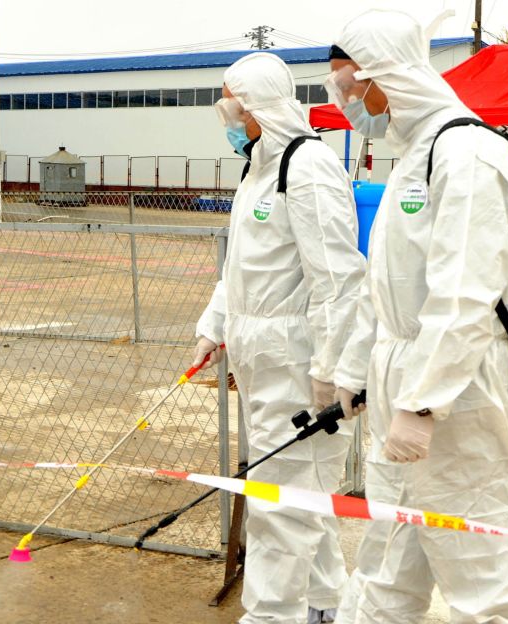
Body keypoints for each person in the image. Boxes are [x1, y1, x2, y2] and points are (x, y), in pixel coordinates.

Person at [326, 9, 508, 623]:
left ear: (383, 77)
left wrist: (422, 404)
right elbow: (389, 292)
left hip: (459, 395)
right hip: (407, 384)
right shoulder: (414, 157)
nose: (347, 103)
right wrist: (355, 374)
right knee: (389, 560)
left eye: (349, 86)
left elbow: (464, 297)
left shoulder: (467, 154)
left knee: (484, 571)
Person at [192, 52, 366, 624]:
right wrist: (213, 327)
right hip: (264, 362)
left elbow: (339, 280)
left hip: (299, 368)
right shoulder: (258, 170)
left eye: (230, 106)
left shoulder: (308, 166)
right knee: (298, 498)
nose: (226, 119)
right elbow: (242, 269)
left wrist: (332, 369)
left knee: (280, 506)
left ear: (258, 106)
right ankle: (323, 607)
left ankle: (271, 616)